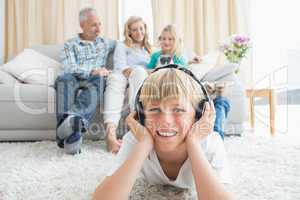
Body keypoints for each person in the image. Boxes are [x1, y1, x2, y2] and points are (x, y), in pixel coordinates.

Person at [93, 66, 233, 200]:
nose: (165, 120)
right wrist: (144, 144)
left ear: (197, 115)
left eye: (178, 110)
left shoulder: (210, 143)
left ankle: (221, 100)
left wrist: (193, 143)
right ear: (141, 115)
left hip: (201, 134)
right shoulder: (136, 140)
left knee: (218, 122)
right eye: (154, 110)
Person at [55, 8, 115, 154]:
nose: (99, 29)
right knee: (64, 80)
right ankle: (72, 134)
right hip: (73, 77)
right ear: (82, 25)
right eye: (94, 25)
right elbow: (69, 67)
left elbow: (128, 44)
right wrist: (91, 70)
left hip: (95, 79)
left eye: (100, 24)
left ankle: (69, 130)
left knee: (100, 79)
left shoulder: (105, 43)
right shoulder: (70, 44)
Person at [103, 16, 152, 153]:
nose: (139, 32)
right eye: (134, 30)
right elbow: (120, 66)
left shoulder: (150, 50)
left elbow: (162, 63)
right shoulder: (122, 45)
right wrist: (131, 71)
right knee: (115, 79)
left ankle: (134, 128)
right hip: (124, 74)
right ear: (129, 32)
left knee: (140, 73)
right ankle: (110, 135)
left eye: (141, 28)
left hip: (142, 77)